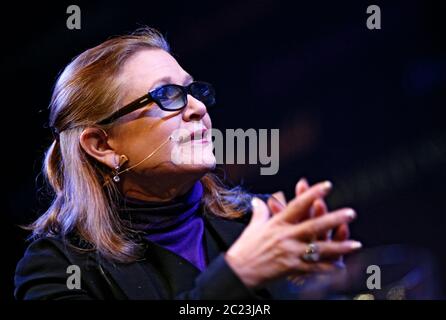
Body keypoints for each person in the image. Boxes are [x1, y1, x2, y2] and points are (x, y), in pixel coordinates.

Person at [14, 28, 361, 300]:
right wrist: (236, 275)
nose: (197, 107)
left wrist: (315, 286)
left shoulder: (255, 222)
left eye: (191, 90)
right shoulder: (57, 269)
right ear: (102, 144)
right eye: (166, 96)